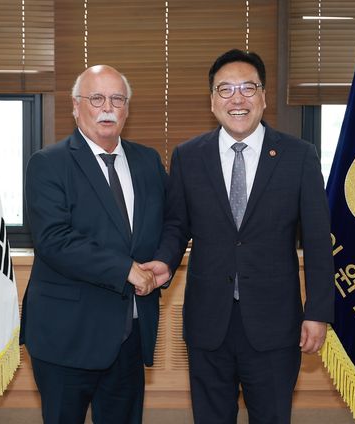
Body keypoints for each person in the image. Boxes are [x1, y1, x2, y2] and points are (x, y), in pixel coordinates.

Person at [141, 49, 335, 423]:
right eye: (225, 89)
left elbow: (316, 240)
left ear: (263, 97)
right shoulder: (188, 156)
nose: (237, 99)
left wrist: (318, 312)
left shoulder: (299, 156)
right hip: (208, 320)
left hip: (276, 323)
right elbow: (177, 224)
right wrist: (164, 260)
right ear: (212, 100)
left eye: (248, 88)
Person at [20, 64, 167, 424]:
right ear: (75, 106)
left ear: (127, 109)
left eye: (117, 99)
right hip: (66, 335)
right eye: (96, 98)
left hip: (129, 334)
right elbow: (53, 240)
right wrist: (125, 270)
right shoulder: (48, 163)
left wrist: (165, 260)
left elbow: (173, 221)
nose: (107, 107)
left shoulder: (147, 161)